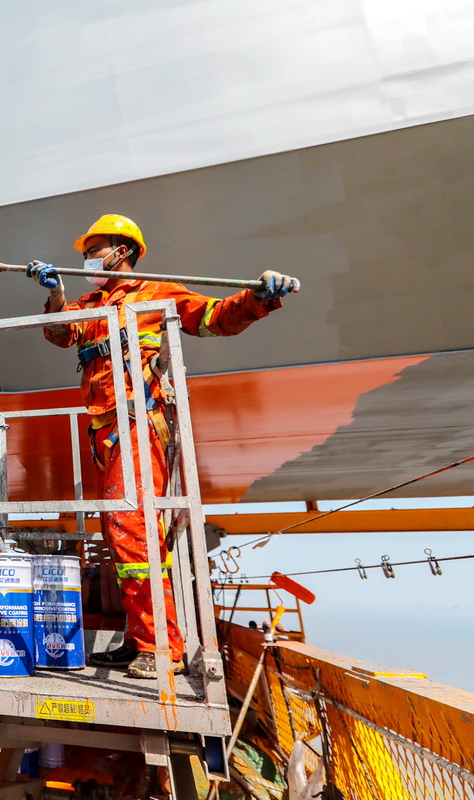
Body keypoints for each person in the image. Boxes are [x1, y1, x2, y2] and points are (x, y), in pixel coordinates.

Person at [26, 214, 299, 679]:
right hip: (104, 433)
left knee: (132, 530)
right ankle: (143, 640)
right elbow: (58, 334)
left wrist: (258, 298)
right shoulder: (90, 303)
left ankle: (158, 647)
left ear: (123, 251)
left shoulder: (159, 294)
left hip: (139, 423)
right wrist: (54, 295)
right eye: (86, 253)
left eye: (96, 250)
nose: (88, 259)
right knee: (122, 537)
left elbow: (215, 319)